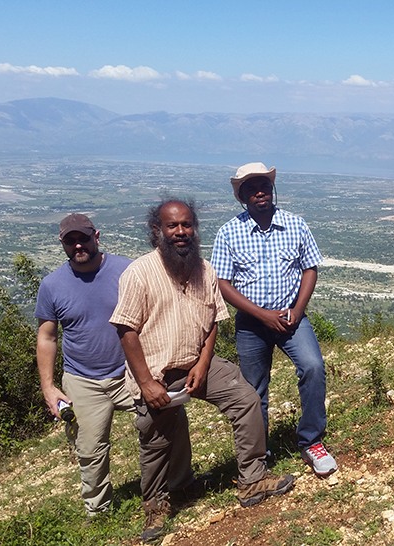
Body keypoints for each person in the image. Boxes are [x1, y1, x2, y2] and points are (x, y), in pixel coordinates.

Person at [110, 199, 294, 542]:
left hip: (197, 363)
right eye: (172, 226)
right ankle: (156, 506)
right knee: (156, 439)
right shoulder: (139, 273)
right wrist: (146, 382)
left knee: (245, 399)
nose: (181, 232)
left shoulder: (204, 270)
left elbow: (212, 322)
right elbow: (126, 330)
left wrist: (204, 362)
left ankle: (252, 479)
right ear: (157, 231)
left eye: (187, 225)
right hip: (156, 372)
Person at [211, 162, 337, 477]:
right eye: (252, 190)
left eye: (264, 187)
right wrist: (262, 315)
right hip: (252, 325)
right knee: (253, 392)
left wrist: (298, 308)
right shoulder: (229, 232)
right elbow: (223, 284)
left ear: (272, 189)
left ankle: (312, 441)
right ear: (242, 197)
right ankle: (257, 457)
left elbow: (310, 268)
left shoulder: (295, 225)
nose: (260, 193)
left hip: (292, 318)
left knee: (313, 367)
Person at [35, 213, 135, 517]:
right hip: (83, 381)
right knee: (90, 452)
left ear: (97, 236)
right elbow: (47, 337)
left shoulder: (127, 269)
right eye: (70, 240)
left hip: (130, 371)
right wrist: (49, 388)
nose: (78, 245)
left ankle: (180, 482)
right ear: (63, 244)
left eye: (84, 238)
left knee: (167, 420)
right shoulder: (52, 285)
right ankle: (99, 513)